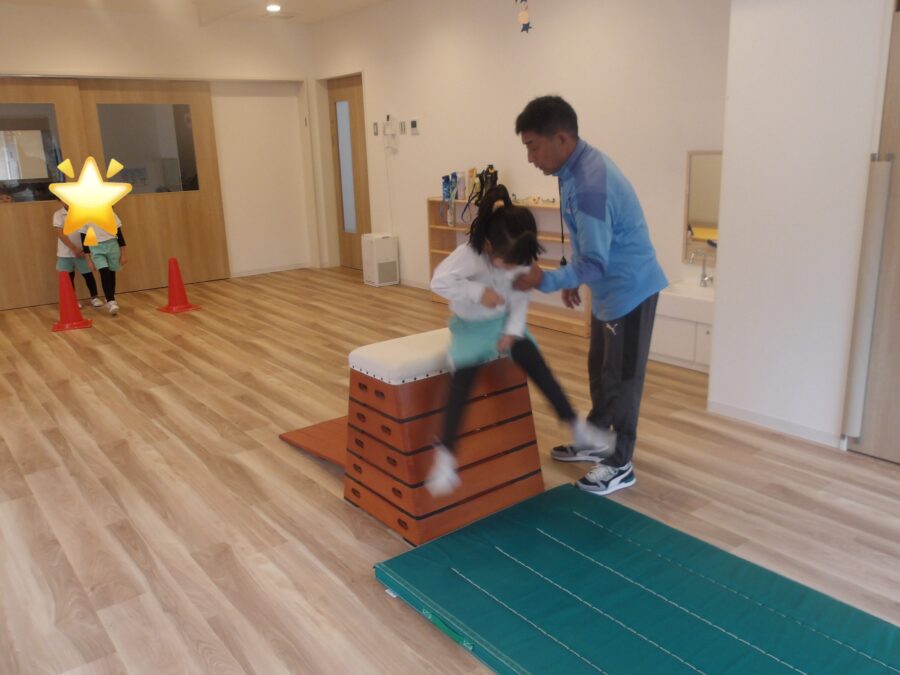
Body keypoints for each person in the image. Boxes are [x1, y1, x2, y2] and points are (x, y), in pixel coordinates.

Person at [514, 95, 668, 496]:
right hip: (607, 289)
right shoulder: (571, 168)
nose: (530, 158)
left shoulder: (590, 183)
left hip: (631, 290)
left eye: (533, 147)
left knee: (623, 378)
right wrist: (572, 276)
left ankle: (620, 463)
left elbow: (596, 261)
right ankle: (598, 440)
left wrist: (549, 280)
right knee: (600, 368)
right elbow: (588, 240)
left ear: (561, 139)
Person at [427, 184, 611, 496]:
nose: (514, 269)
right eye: (508, 263)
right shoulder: (469, 256)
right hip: (470, 327)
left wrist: (513, 331)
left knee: (536, 362)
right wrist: (477, 292)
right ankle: (445, 455)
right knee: (462, 382)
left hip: (501, 322)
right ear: (488, 246)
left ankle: (574, 424)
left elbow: (520, 297)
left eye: (518, 264)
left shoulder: (520, 256)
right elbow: (438, 281)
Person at [52, 203, 103, 309]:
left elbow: (88, 231)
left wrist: (86, 249)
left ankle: (94, 297)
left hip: (82, 252)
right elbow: (60, 234)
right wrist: (74, 249)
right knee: (68, 278)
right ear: (59, 201)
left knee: (88, 275)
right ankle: (73, 300)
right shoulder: (58, 214)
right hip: (65, 253)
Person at [86, 213, 128, 316]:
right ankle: (111, 301)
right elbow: (84, 239)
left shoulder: (111, 214)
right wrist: (88, 260)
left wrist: (123, 254)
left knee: (111, 274)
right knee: (104, 272)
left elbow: (119, 235)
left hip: (112, 245)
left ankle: (109, 296)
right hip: (96, 247)